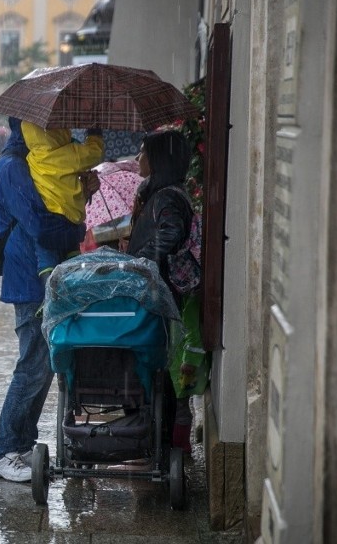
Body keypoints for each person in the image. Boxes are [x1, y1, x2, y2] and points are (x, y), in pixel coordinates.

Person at [0, 117, 97, 482]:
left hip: (41, 274)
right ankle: (5, 452)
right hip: (29, 278)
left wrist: (83, 196)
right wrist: (76, 225)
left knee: (42, 367)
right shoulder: (13, 168)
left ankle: (22, 445)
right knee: (32, 365)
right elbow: (40, 225)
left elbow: (54, 217)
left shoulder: (30, 162)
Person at [125, 128, 195, 453]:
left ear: (159, 159)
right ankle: (157, 438)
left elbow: (172, 234)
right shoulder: (158, 193)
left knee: (159, 367)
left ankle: (163, 442)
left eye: (143, 152)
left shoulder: (167, 197)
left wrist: (141, 260)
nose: (138, 158)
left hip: (160, 292)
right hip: (156, 290)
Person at [19, 121, 104, 275]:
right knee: (73, 262)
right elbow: (94, 153)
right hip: (68, 221)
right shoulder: (71, 153)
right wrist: (94, 133)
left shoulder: (32, 157)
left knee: (46, 262)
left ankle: (49, 292)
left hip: (43, 222)